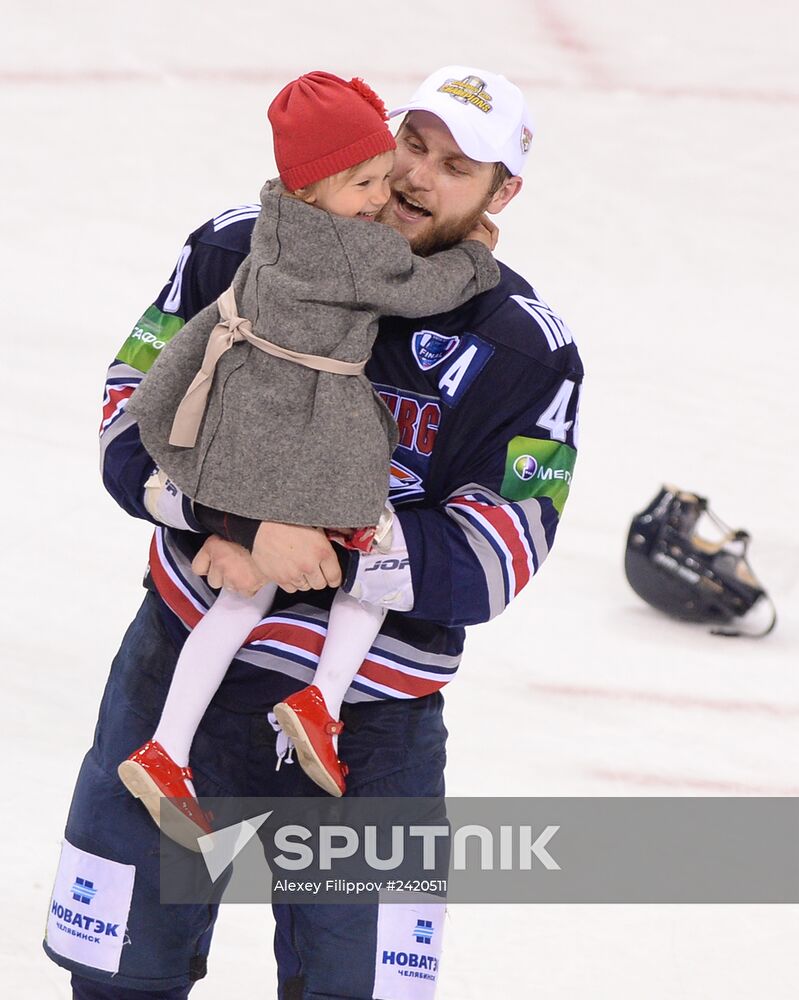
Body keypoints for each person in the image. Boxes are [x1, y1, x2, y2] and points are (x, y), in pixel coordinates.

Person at [44, 65, 584, 1000]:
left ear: (504, 193)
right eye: (410, 144)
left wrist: (325, 545)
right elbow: (128, 417)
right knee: (117, 981)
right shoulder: (236, 249)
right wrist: (233, 521)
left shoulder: (524, 346)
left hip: (368, 730)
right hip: (180, 677)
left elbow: (499, 555)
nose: (417, 177)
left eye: (456, 167)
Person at [117, 70, 500, 833]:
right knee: (365, 536)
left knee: (242, 593)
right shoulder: (356, 252)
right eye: (368, 180)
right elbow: (423, 290)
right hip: (305, 421)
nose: (382, 196)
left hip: (243, 422)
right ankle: (321, 698)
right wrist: (478, 258)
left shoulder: (271, 220)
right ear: (315, 186)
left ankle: (165, 747)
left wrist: (236, 527)